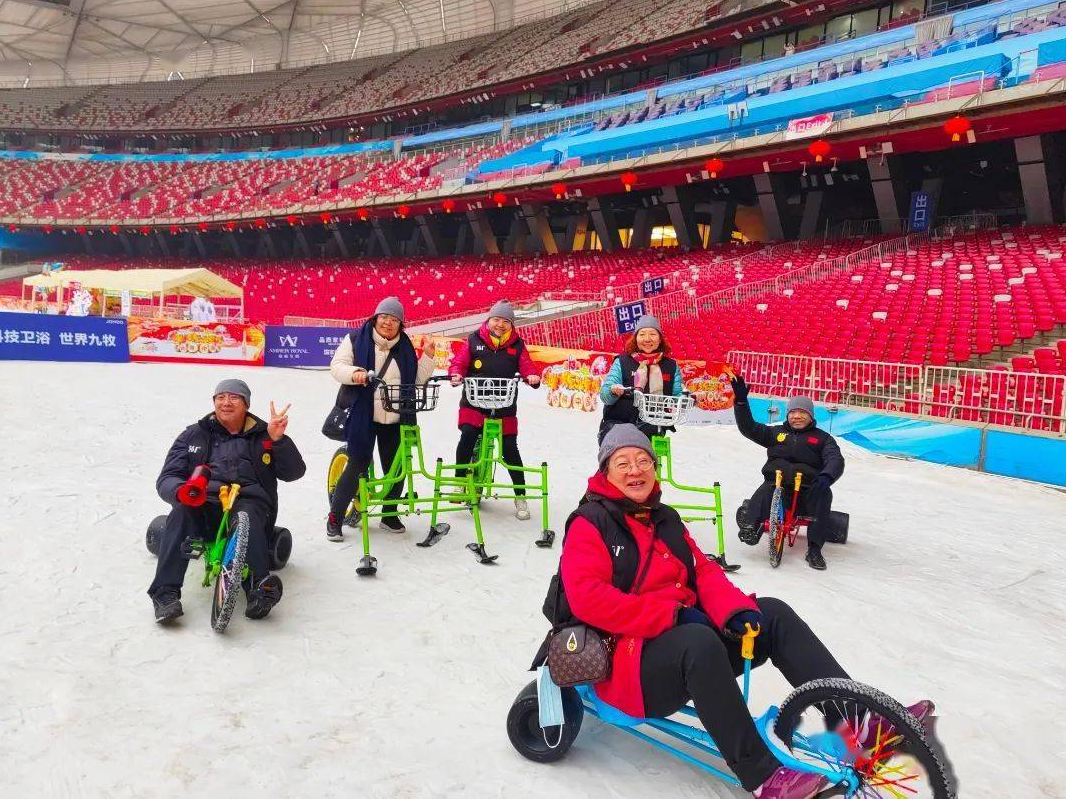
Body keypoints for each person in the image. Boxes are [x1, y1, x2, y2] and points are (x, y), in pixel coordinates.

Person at [544, 424, 929, 798]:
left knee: (772, 614)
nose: (635, 470)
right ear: (605, 471)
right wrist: (672, 617)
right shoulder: (590, 523)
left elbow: (703, 572)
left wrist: (735, 612)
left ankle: (860, 724)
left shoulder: (666, 519)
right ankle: (764, 777)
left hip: (683, 646)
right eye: (623, 462)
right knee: (696, 640)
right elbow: (588, 599)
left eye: (643, 460)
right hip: (626, 665)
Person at [149, 379, 306, 623]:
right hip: (205, 500)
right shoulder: (194, 434)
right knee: (181, 513)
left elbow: (294, 472)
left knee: (248, 516)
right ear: (214, 402)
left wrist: (278, 442)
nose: (226, 402)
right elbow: (168, 476)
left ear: (246, 404)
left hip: (248, 502)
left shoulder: (264, 433)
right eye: (220, 397)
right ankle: (165, 594)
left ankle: (258, 589)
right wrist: (182, 491)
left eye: (234, 397)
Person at [326, 296, 437, 540]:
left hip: (395, 416)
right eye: (384, 317)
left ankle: (389, 514)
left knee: (396, 466)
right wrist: (355, 373)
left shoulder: (405, 346)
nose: (388, 322)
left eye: (394, 319)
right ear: (375, 318)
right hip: (362, 414)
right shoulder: (356, 339)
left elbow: (416, 381)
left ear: (401, 324)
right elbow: (337, 366)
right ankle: (335, 516)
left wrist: (428, 358)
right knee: (357, 464)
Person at [730, 376, 844, 571]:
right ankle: (751, 528)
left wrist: (826, 476)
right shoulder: (776, 433)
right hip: (776, 484)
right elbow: (749, 428)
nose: (796, 416)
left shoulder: (823, 439)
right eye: (793, 412)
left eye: (801, 412)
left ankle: (814, 549)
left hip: (808, 489)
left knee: (824, 495)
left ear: (810, 415)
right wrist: (741, 403)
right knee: (767, 487)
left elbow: (835, 459)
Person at [448, 300, 541, 520]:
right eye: (496, 319)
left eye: (505, 321)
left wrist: (532, 376)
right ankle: (460, 482)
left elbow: (526, 365)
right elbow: (460, 362)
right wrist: (456, 373)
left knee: (510, 449)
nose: (500, 324)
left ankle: (520, 495)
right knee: (468, 435)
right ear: (489, 320)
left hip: (504, 405)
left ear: (511, 324)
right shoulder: (474, 339)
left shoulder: (517, 345)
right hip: (475, 402)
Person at [598, 315, 683, 444]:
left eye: (653, 334)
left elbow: (677, 396)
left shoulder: (671, 366)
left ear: (660, 339)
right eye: (642, 334)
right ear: (635, 338)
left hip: (653, 426)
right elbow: (605, 396)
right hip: (618, 426)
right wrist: (613, 390)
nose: (647, 339)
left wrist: (693, 398)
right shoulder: (622, 362)